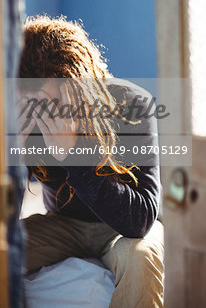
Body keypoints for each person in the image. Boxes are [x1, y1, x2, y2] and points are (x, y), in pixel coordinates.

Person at [18, 15, 164, 308]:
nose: (44, 117)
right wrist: (12, 156)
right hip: (62, 223)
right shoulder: (22, 111)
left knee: (142, 259)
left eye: (52, 106)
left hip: (121, 228)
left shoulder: (133, 104)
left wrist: (72, 154)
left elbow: (142, 219)